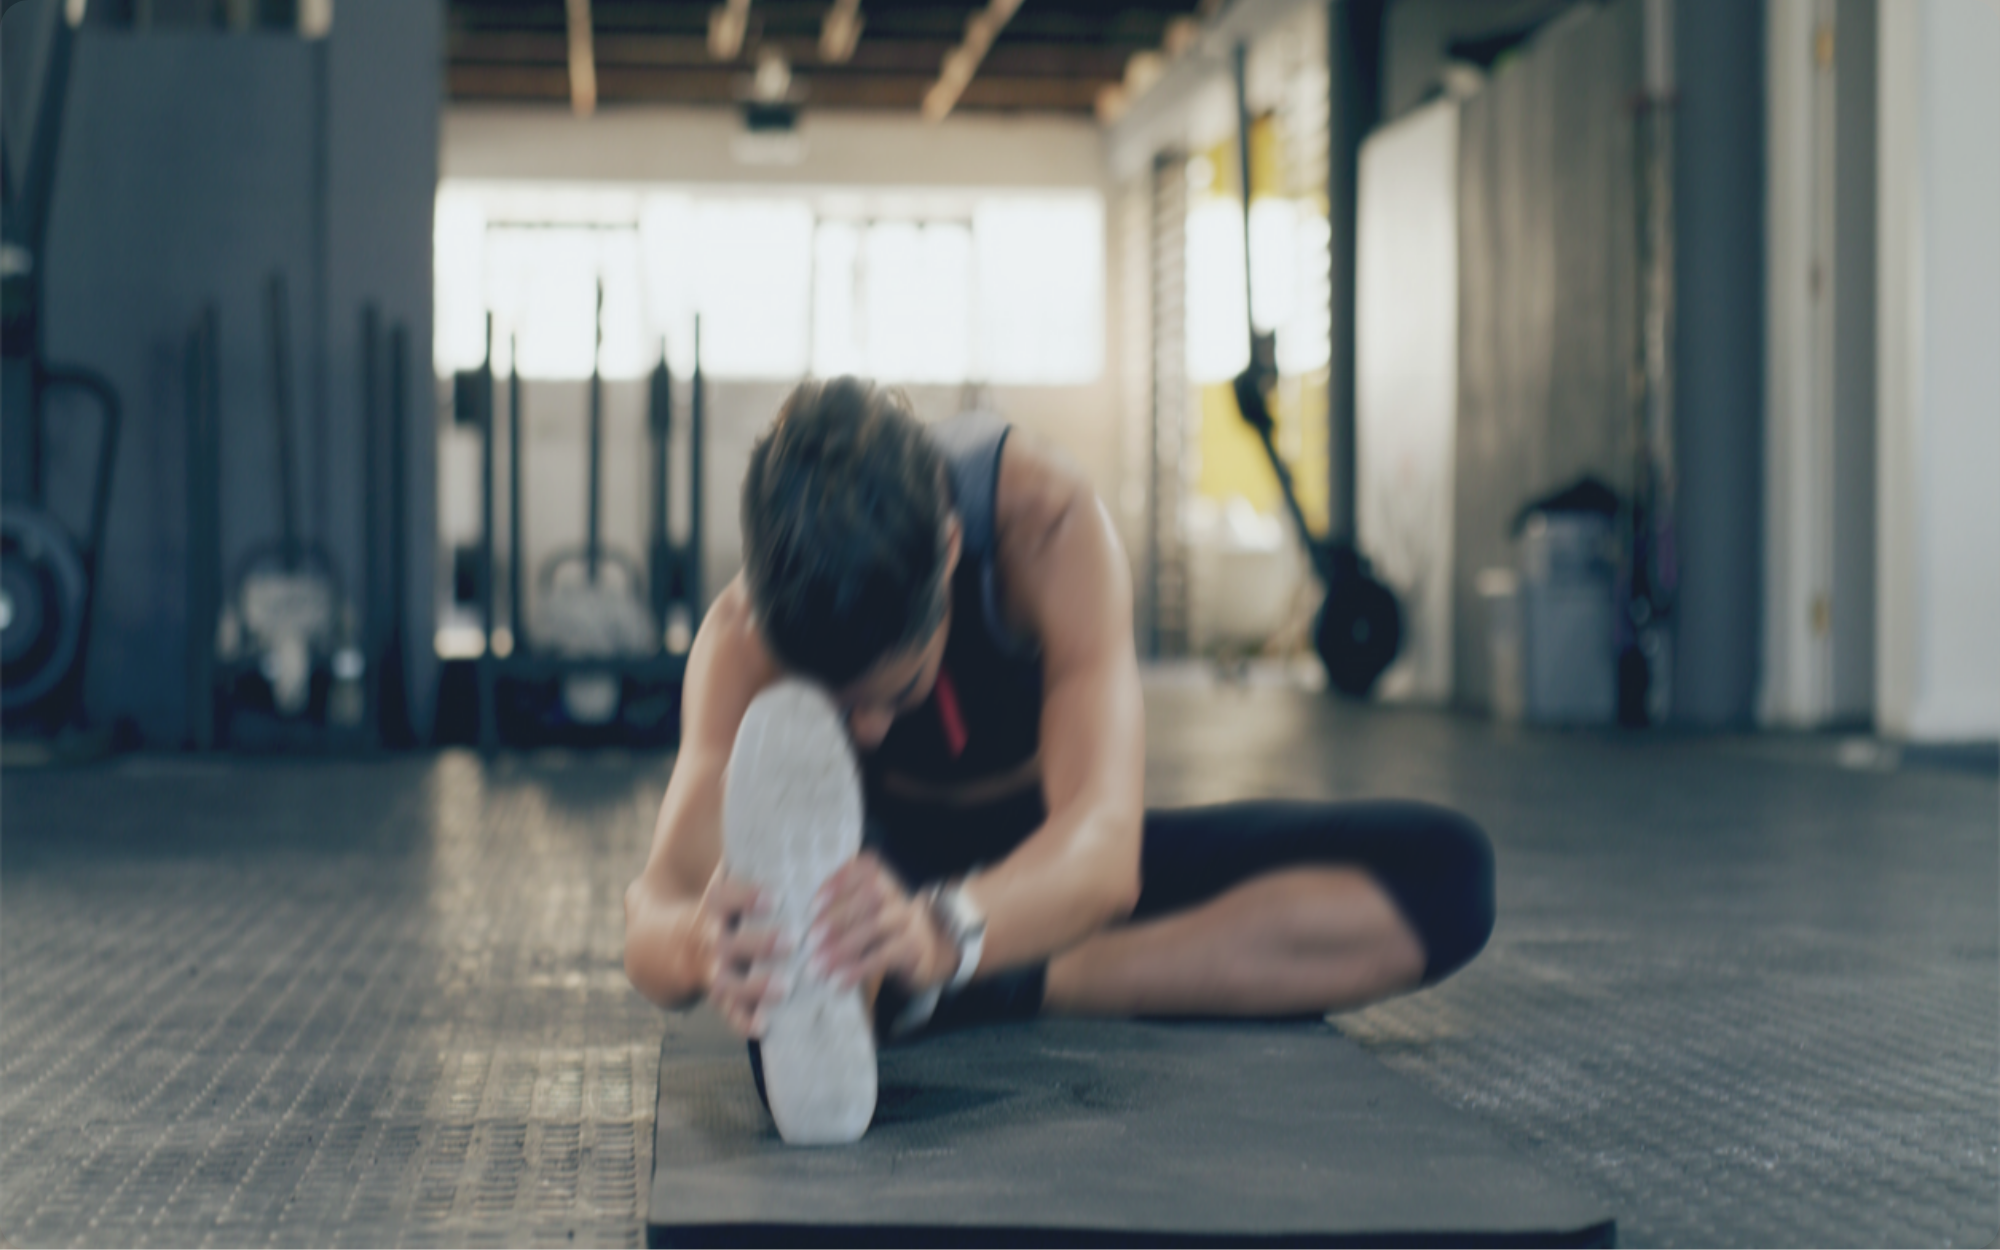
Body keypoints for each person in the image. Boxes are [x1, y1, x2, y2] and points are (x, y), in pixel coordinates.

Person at [623, 377, 1493, 1134]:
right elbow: (655, 906)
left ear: (951, 554)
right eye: (838, 705)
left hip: (1041, 873)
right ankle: (910, 981)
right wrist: (702, 944)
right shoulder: (744, 634)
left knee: (1445, 878)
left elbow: (1103, 850)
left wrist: (947, 932)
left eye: (894, 692)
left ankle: (1008, 982)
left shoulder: (1046, 524)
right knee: (791, 997)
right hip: (868, 885)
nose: (870, 733)